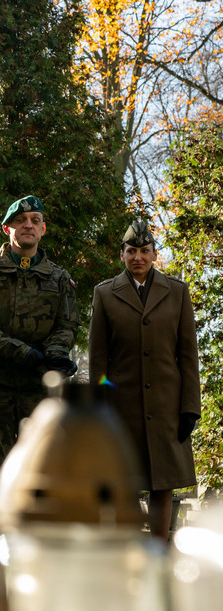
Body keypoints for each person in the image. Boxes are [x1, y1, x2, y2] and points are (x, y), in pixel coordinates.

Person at [0, 195, 79, 508]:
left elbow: (67, 324)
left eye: (35, 221)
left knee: (39, 480)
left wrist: (55, 353)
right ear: (6, 228)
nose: (28, 225)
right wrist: (20, 351)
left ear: (43, 229)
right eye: (20, 220)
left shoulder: (59, 277)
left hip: (37, 388)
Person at [89, 220, 200, 541]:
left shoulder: (177, 292)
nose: (138, 257)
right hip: (121, 408)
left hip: (167, 407)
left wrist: (190, 408)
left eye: (144, 251)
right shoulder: (105, 294)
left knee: (162, 483)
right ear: (122, 255)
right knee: (122, 481)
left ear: (154, 255)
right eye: (131, 251)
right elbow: (99, 361)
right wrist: (100, 408)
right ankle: (125, 551)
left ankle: (159, 552)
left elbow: (188, 356)